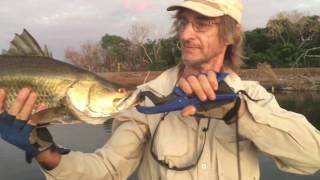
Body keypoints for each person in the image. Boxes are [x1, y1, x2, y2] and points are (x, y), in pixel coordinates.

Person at [1, 0, 320, 179]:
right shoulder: (143, 101)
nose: (185, 35)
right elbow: (108, 170)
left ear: (231, 34)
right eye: (183, 23)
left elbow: (312, 159)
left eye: (201, 23)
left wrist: (239, 113)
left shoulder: (254, 97)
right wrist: (45, 151)